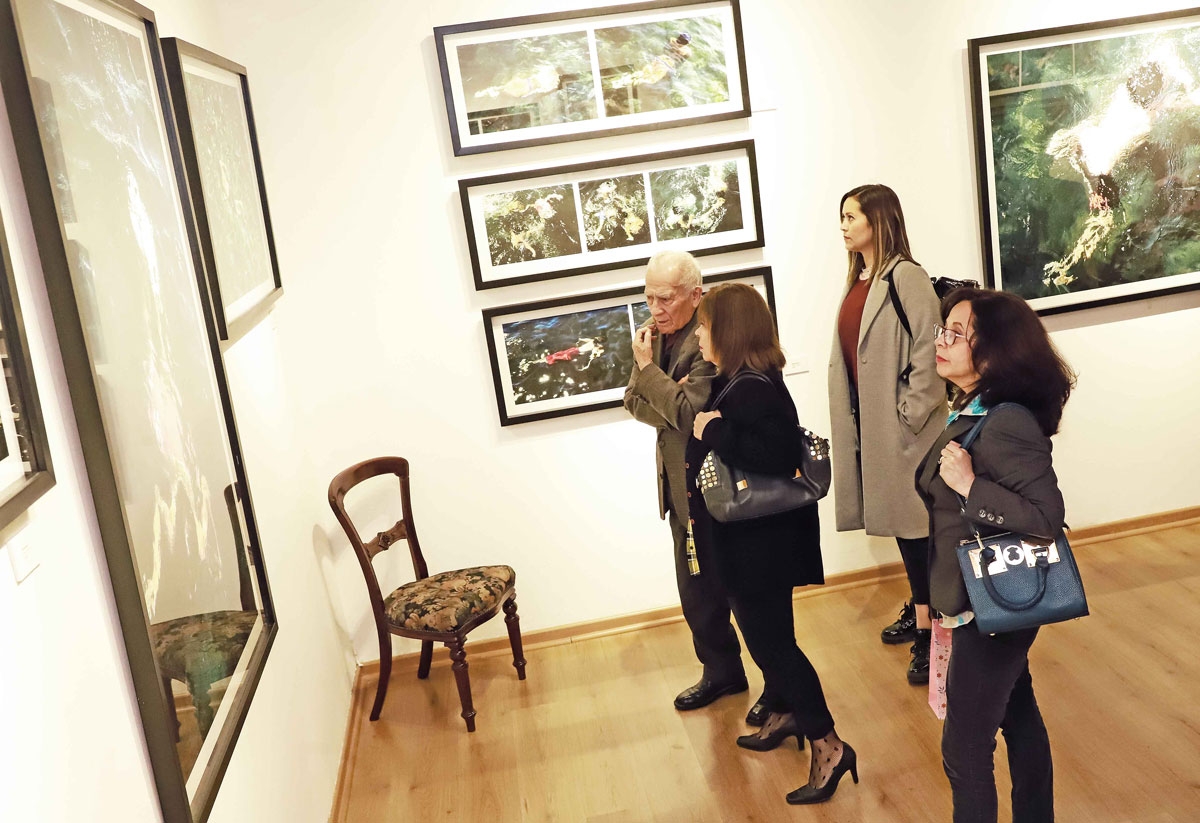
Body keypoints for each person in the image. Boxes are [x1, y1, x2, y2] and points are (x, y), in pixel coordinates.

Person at [686, 283, 857, 806]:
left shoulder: (751, 388)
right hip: (760, 541)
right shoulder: (740, 380)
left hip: (760, 546)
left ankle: (829, 745)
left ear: (729, 331)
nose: (698, 335)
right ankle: (783, 713)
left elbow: (778, 454)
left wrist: (713, 431)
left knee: (772, 645)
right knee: (772, 635)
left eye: (704, 326)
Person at [915, 287, 1075, 822]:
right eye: (944, 329)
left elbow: (1046, 520)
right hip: (981, 600)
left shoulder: (1007, 421)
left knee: (964, 751)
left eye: (957, 333)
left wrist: (970, 487)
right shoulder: (974, 409)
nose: (942, 340)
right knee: (1018, 716)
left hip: (998, 602)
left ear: (995, 350)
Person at [624, 251, 769, 723]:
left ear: (694, 294)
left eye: (665, 298)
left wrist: (651, 377)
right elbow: (632, 401)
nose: (655, 308)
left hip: (716, 489)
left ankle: (778, 685)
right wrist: (667, 391)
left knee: (739, 593)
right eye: (649, 297)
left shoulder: (709, 339)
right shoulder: (654, 338)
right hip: (678, 485)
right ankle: (721, 671)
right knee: (696, 593)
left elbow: (690, 416)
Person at [827, 184, 947, 684]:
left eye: (851, 216)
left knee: (919, 534)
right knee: (906, 531)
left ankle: (931, 633)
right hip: (874, 428)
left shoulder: (906, 276)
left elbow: (930, 348)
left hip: (905, 433)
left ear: (877, 220)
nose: (843, 226)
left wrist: (909, 413)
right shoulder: (860, 280)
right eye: (842, 217)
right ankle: (922, 614)